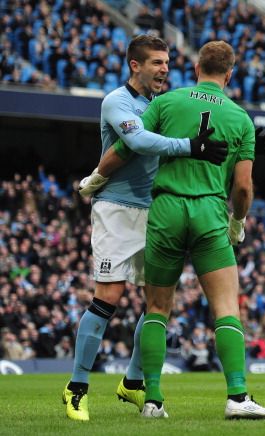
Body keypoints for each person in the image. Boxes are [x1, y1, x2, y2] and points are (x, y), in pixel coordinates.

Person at [110, 40, 265, 419]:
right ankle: (238, 397)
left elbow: (128, 148)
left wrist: (96, 177)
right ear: (230, 73)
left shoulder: (167, 102)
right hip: (209, 210)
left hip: (166, 208)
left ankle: (153, 402)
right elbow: (242, 187)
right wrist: (236, 222)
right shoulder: (240, 118)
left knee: (157, 307)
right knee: (225, 308)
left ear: (196, 69)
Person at [63, 34, 228, 422]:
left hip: (155, 209)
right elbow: (137, 140)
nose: (164, 69)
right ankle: (76, 387)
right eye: (156, 62)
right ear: (135, 65)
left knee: (158, 302)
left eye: (167, 62)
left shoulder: (162, 105)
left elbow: (206, 130)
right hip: (117, 209)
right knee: (109, 297)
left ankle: (133, 383)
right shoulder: (116, 102)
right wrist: (188, 146)